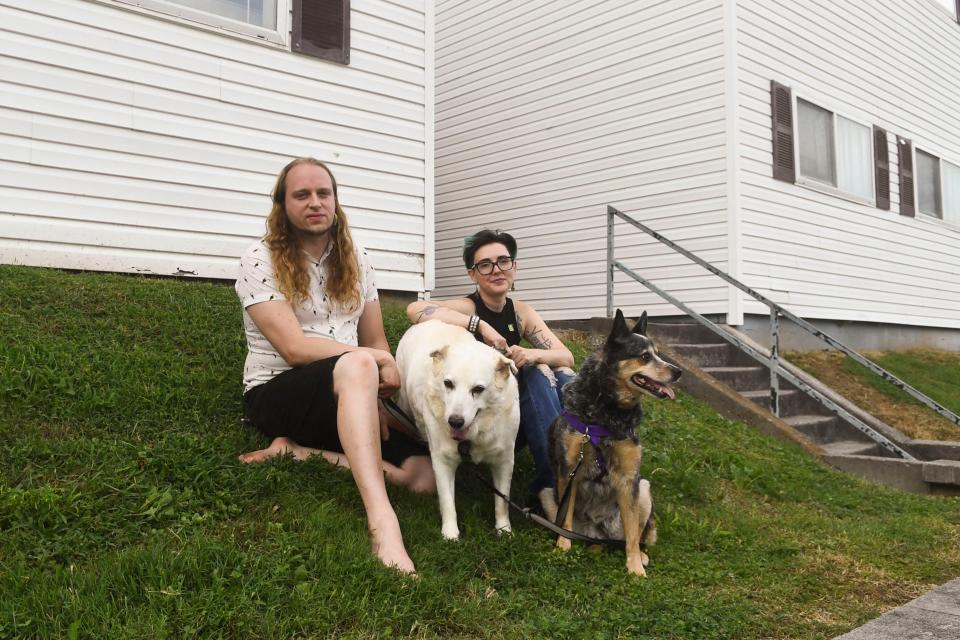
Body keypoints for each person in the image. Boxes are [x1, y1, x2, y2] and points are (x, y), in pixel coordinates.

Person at [235, 157, 434, 574]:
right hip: (279, 391)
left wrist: (379, 389)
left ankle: (294, 451)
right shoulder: (260, 258)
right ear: (282, 204)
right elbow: (294, 348)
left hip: (351, 387)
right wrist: (373, 361)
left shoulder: (357, 257)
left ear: (336, 201)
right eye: (301, 194)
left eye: (323, 193)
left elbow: (375, 338)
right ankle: (383, 525)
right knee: (358, 361)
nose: (314, 202)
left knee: (424, 478)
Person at [405, 229, 575, 517]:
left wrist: (531, 354)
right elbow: (415, 308)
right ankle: (552, 486)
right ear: (473, 274)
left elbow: (566, 355)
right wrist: (478, 325)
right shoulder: (469, 307)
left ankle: (585, 473)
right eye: (485, 264)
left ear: (514, 267)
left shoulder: (521, 313)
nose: (496, 270)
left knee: (567, 378)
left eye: (503, 261)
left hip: (511, 410)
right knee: (536, 375)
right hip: (481, 415)